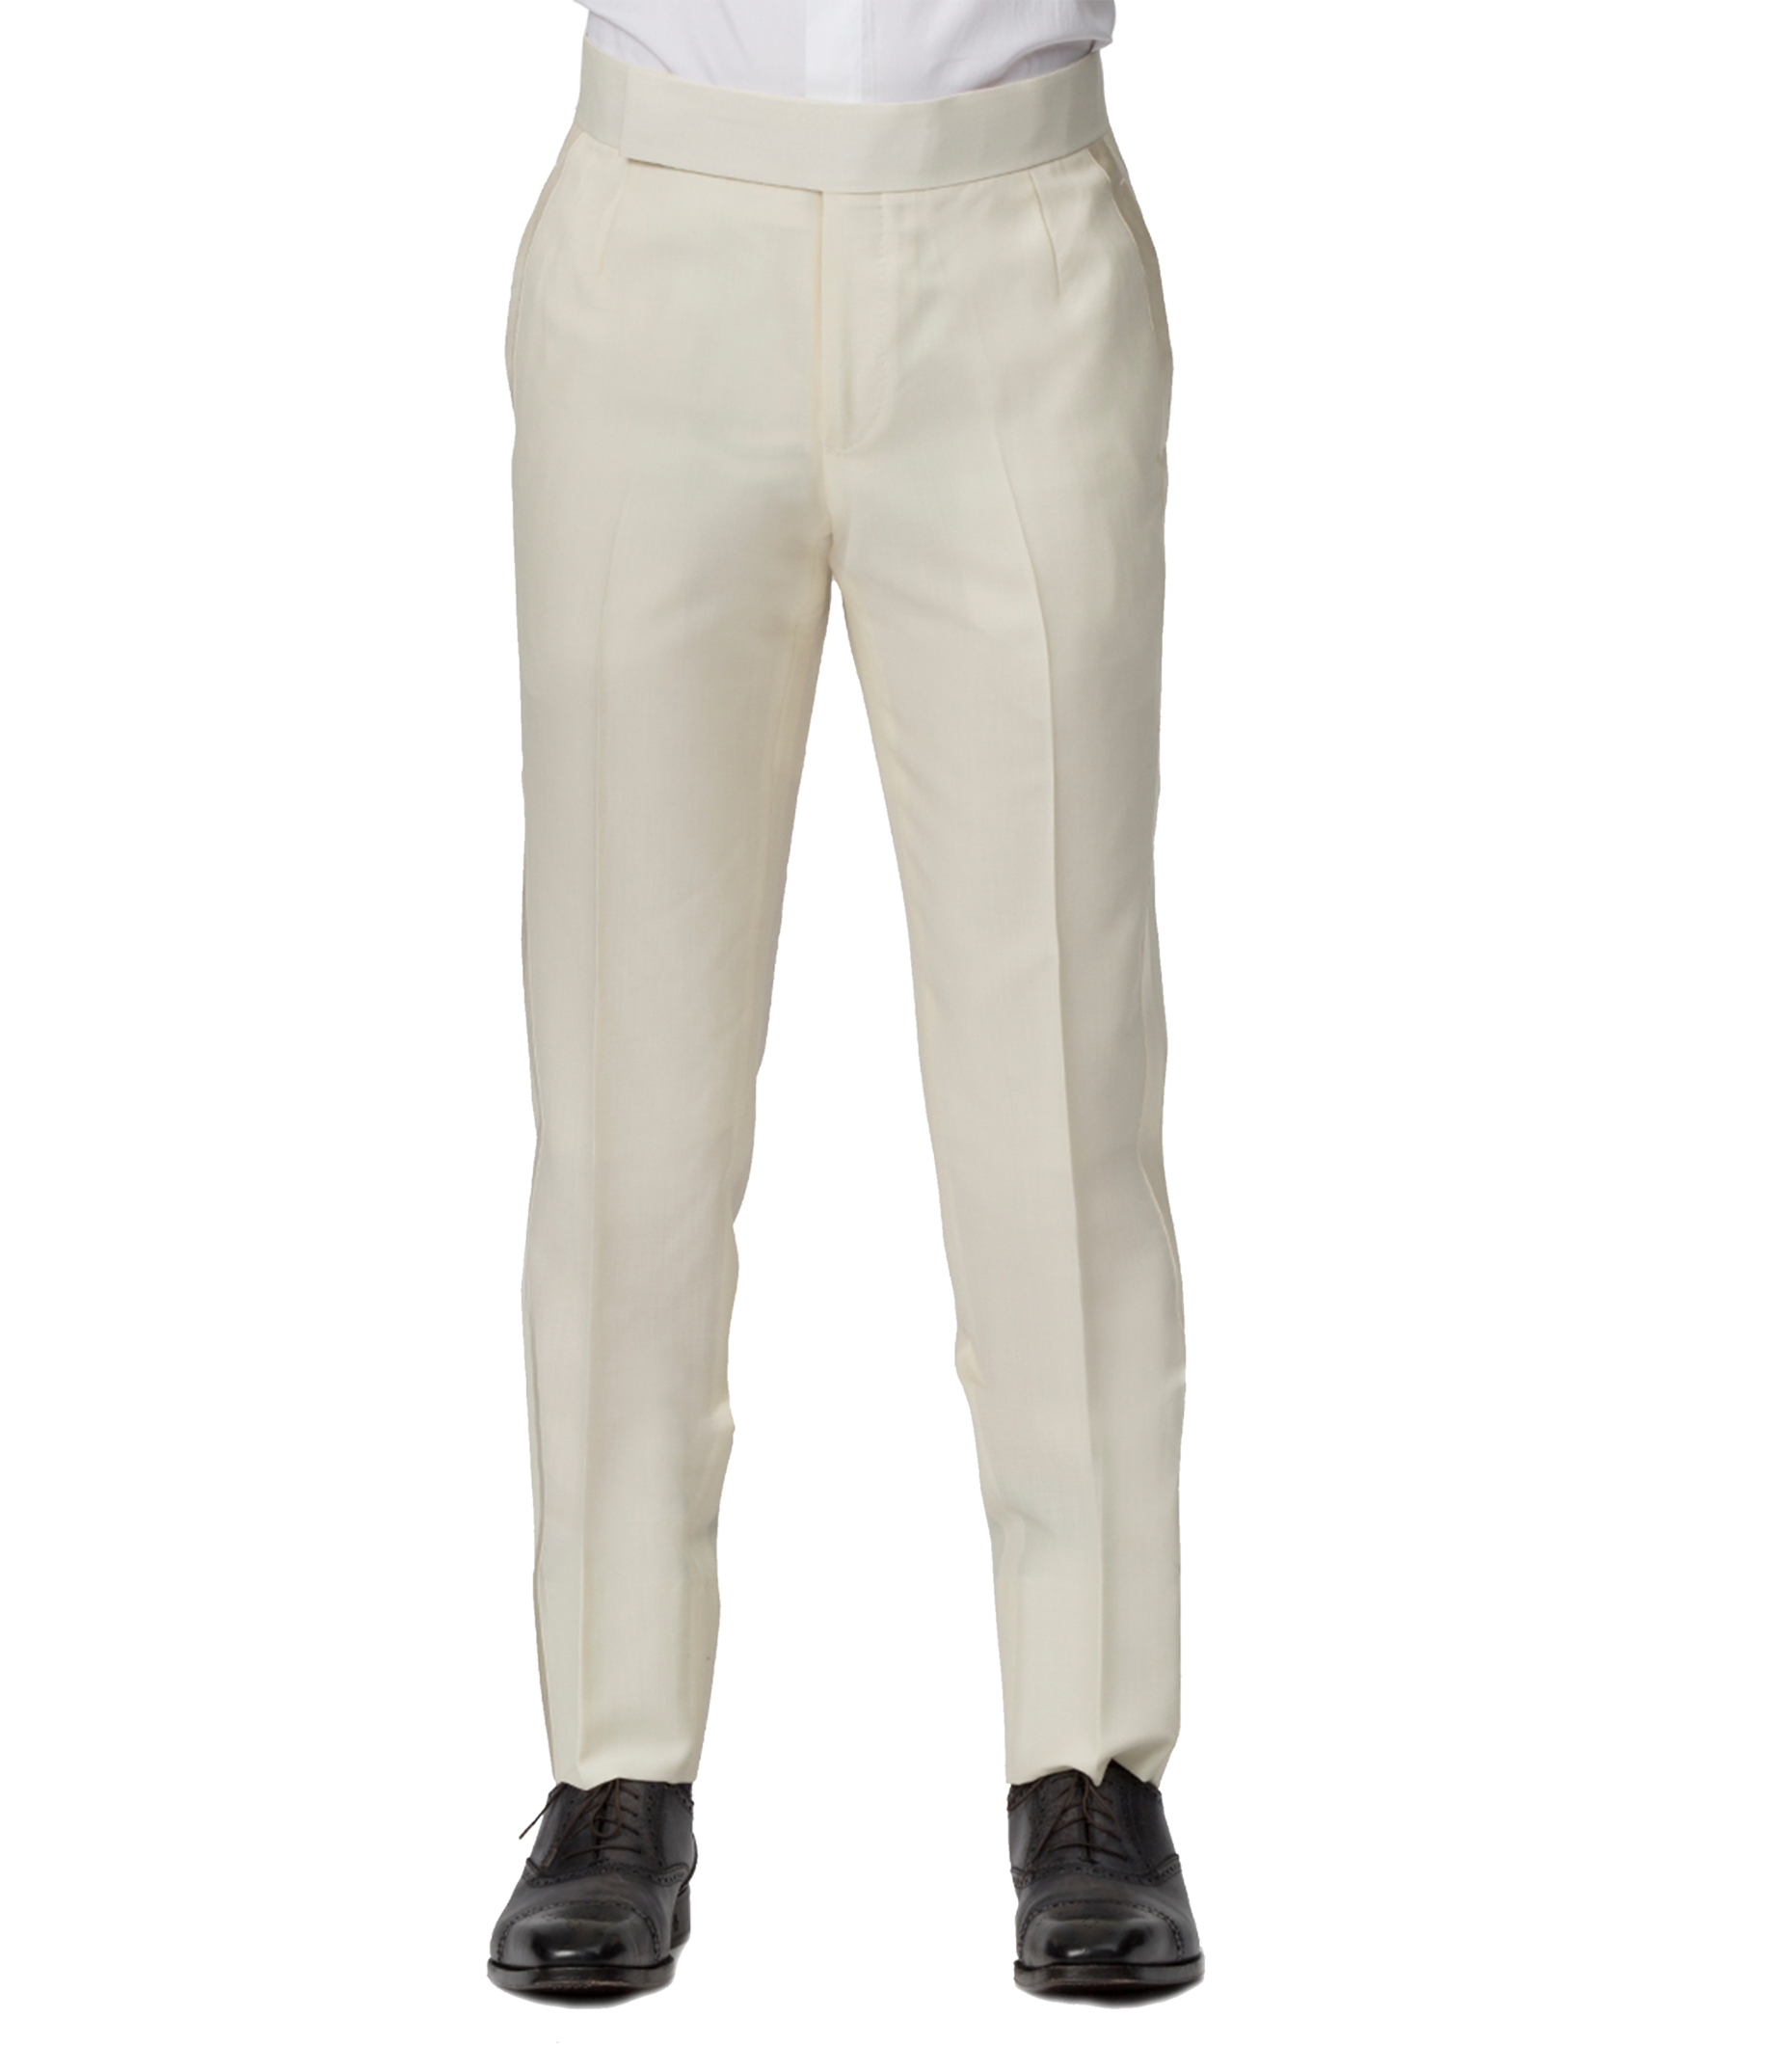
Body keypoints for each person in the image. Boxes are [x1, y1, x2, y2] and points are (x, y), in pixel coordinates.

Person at [486, 3, 1201, 2007]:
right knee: (627, 1069)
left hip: (1013, 233)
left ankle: (1090, 1761)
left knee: (1059, 1069)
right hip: (659, 227)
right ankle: (612, 1765)